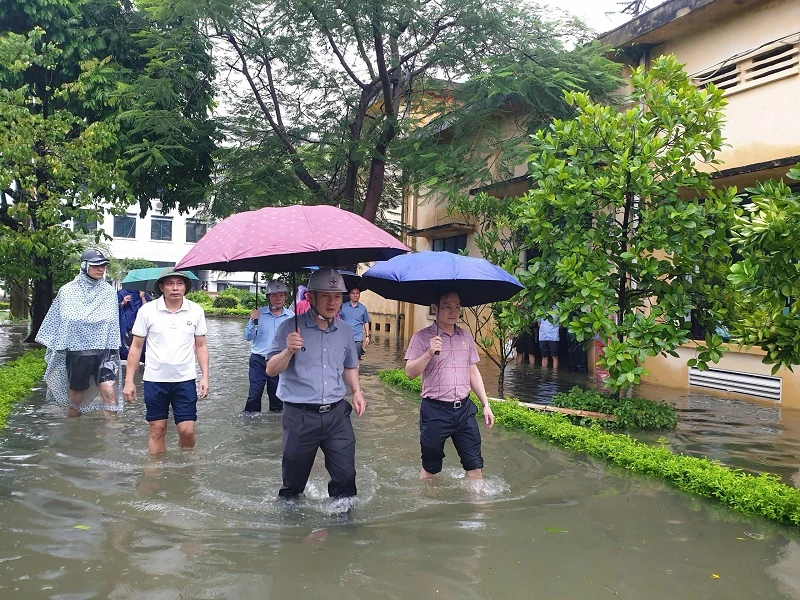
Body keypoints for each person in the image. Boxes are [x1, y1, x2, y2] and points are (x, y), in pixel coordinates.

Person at [266, 267, 366, 506]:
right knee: (293, 484)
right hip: (299, 415)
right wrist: (288, 350)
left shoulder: (343, 331)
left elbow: (350, 366)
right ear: (310, 297)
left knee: (346, 476)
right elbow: (271, 369)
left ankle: (343, 527)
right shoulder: (289, 328)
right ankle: (291, 529)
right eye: (325, 295)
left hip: (336, 415)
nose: (333, 302)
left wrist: (357, 392)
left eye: (337, 296)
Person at [404, 291, 495, 481]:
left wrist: (486, 405)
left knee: (475, 466)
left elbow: (473, 372)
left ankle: (477, 511)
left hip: (464, 410)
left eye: (457, 307)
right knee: (430, 469)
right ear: (435, 308)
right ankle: (430, 506)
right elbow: (410, 373)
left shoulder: (466, 337)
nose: (453, 312)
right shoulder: (422, 337)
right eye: (447, 306)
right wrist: (429, 352)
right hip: (435, 411)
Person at [123, 270, 210, 455]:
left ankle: (184, 467)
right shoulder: (147, 311)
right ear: (161, 287)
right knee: (157, 429)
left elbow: (201, 346)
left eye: (179, 283)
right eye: (170, 283)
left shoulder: (196, 310)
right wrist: (129, 381)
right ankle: (155, 474)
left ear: (185, 287)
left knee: (187, 431)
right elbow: (136, 347)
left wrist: (205, 377)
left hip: (185, 379)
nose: (175, 288)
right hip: (154, 379)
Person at [36, 248, 123, 417]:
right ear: (84, 266)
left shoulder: (109, 293)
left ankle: (113, 436)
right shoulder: (68, 291)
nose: (101, 269)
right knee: (77, 396)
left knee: (109, 391)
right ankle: (74, 432)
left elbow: (112, 323)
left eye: (103, 265)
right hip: (77, 351)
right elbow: (61, 320)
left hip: (105, 350)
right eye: (96, 265)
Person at [243, 279, 294, 413]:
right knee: (254, 396)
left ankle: (275, 428)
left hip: (278, 360)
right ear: (268, 297)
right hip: (258, 360)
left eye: (281, 295)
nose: (278, 298)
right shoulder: (258, 314)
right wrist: (252, 321)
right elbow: (248, 337)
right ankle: (250, 426)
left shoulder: (291, 317)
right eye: (274, 295)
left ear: (285, 297)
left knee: (277, 398)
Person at [118, 289, 149, 362]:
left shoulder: (144, 294)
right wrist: (123, 302)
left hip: (139, 324)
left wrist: (143, 298)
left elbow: (148, 311)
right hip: (125, 324)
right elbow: (114, 309)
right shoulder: (121, 294)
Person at [340, 286, 371, 359]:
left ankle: (356, 370)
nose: (355, 295)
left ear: (359, 295)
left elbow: (366, 322)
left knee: (356, 359)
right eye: (353, 293)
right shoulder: (343, 306)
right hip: (344, 338)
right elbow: (338, 319)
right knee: (344, 359)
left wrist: (367, 336)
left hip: (357, 338)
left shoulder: (363, 308)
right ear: (349, 295)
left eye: (357, 293)